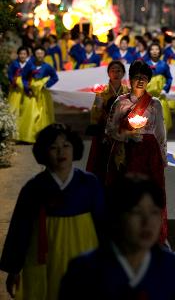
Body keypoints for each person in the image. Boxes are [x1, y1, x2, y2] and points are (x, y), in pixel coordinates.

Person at [59, 175, 175, 300]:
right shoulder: (84, 270)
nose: (147, 222)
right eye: (136, 212)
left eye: (154, 212)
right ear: (115, 216)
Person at [0, 124, 104, 300]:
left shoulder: (89, 184)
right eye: (53, 147)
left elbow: (104, 223)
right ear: (43, 152)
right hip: (43, 257)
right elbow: (20, 228)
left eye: (66, 146)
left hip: (84, 252)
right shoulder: (34, 188)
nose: (60, 152)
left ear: (75, 149)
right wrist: (14, 269)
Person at [105, 60, 168, 242]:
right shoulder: (121, 103)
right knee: (127, 191)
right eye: (137, 77)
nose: (140, 81)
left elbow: (160, 132)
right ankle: (125, 230)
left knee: (151, 191)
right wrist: (127, 136)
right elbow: (110, 129)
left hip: (150, 154)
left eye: (144, 78)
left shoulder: (155, 104)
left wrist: (162, 157)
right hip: (127, 152)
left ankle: (153, 232)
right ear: (130, 79)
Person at [86, 60, 129, 181]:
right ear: (108, 73)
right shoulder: (102, 91)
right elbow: (94, 114)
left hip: (121, 131)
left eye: (119, 71)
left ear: (123, 73)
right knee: (101, 160)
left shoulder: (128, 91)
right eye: (113, 71)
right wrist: (98, 108)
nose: (116, 73)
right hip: (104, 131)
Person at [19, 46, 59, 143]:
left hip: (42, 93)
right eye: (38, 53)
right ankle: (29, 136)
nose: (40, 55)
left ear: (44, 55)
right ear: (34, 54)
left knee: (43, 114)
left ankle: (44, 137)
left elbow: (55, 77)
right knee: (30, 113)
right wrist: (27, 88)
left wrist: (47, 84)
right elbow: (23, 77)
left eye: (41, 53)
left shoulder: (47, 66)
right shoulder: (29, 65)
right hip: (31, 93)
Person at [146, 43, 173, 131]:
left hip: (160, 95)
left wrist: (165, 89)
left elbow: (169, 78)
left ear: (160, 51)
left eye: (156, 49)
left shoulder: (164, 65)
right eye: (152, 49)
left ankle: (162, 134)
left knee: (163, 114)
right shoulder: (145, 65)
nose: (154, 51)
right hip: (148, 96)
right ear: (149, 51)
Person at [7, 46, 30, 122]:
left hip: (26, 89)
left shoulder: (29, 64)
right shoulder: (14, 64)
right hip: (16, 89)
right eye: (21, 54)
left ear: (27, 55)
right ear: (18, 54)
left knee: (25, 106)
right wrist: (14, 82)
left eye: (24, 54)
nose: (22, 55)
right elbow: (10, 74)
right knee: (14, 106)